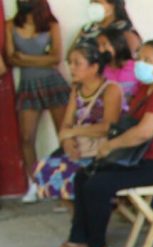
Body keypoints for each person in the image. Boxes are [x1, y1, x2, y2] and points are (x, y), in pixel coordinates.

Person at [42, 40, 153, 247]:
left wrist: (110, 146)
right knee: (83, 175)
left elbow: (143, 133)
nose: (140, 64)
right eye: (139, 59)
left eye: (148, 60)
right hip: (138, 157)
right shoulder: (146, 88)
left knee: (97, 185)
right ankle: (77, 241)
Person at [31, 40, 122, 206]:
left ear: (94, 67)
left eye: (77, 63)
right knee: (44, 169)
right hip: (80, 147)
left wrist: (73, 132)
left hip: (102, 151)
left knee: (76, 175)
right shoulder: (76, 89)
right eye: (70, 63)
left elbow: (108, 127)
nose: (71, 68)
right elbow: (66, 123)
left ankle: (88, 214)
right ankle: (78, 216)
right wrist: (67, 142)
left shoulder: (111, 89)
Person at [7, 0, 69, 203]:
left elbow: (56, 58)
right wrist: (42, 58)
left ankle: (66, 183)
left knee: (65, 135)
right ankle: (35, 184)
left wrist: (25, 58)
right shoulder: (10, 24)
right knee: (26, 138)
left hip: (53, 83)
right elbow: (10, 58)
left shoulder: (51, 23)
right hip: (28, 85)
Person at [96, 28, 137, 107]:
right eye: (98, 46)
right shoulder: (100, 69)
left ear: (117, 44)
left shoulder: (135, 67)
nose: (100, 50)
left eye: (104, 44)